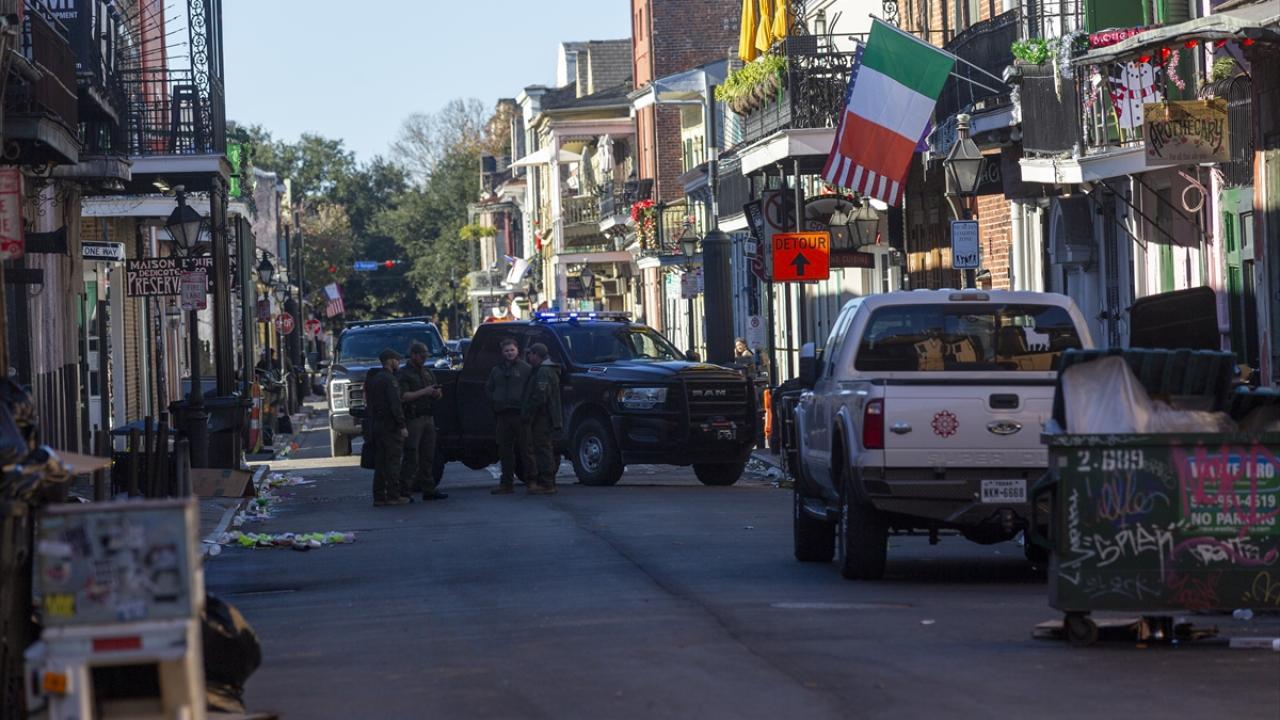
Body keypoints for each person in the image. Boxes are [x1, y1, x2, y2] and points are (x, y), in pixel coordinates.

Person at [485, 337, 536, 494]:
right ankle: (506, 483)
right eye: (506, 350)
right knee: (504, 450)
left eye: (512, 350)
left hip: (520, 415)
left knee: (526, 449)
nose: (509, 353)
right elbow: (489, 388)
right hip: (503, 415)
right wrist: (494, 401)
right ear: (502, 352)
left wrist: (527, 409)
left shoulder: (526, 369)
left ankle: (532, 481)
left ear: (517, 350)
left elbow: (532, 390)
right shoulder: (496, 370)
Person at [398, 341, 447, 501]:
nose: (424, 358)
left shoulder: (427, 372)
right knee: (412, 456)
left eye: (426, 355)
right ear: (413, 355)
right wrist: (424, 392)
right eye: (421, 355)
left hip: (428, 417)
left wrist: (436, 393)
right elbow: (403, 396)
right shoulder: (404, 374)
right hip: (414, 418)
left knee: (428, 456)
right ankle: (404, 490)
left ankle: (429, 489)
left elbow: (436, 391)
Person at [365, 348, 410, 506]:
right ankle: (393, 495)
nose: (398, 363)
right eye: (396, 360)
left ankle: (379, 496)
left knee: (380, 463)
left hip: (378, 425)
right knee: (393, 462)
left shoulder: (376, 378)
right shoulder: (390, 380)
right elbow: (395, 405)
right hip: (390, 427)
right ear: (390, 360)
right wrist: (402, 425)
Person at [522, 343, 562, 496]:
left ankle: (547, 483)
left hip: (543, 417)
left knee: (543, 449)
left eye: (530, 354)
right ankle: (546, 481)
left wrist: (529, 412)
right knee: (543, 448)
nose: (529, 357)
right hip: (543, 416)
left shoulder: (544, 372)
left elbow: (540, 396)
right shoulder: (542, 370)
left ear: (537, 355)